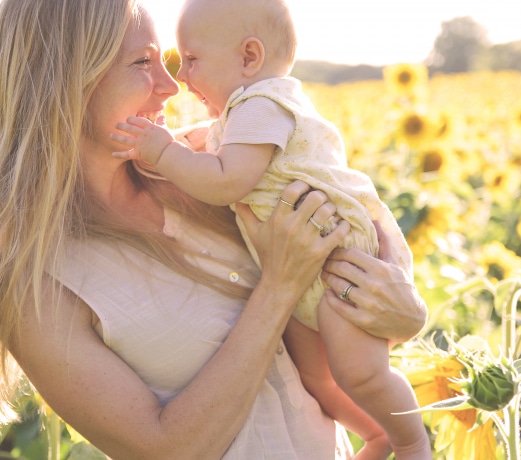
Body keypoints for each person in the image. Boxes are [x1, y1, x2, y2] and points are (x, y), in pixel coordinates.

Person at [0, 0, 430, 459]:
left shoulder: (207, 174)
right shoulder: (34, 280)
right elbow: (166, 450)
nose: (172, 87)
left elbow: (329, 313)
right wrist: (278, 286)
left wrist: (402, 314)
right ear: (65, 83)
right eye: (143, 62)